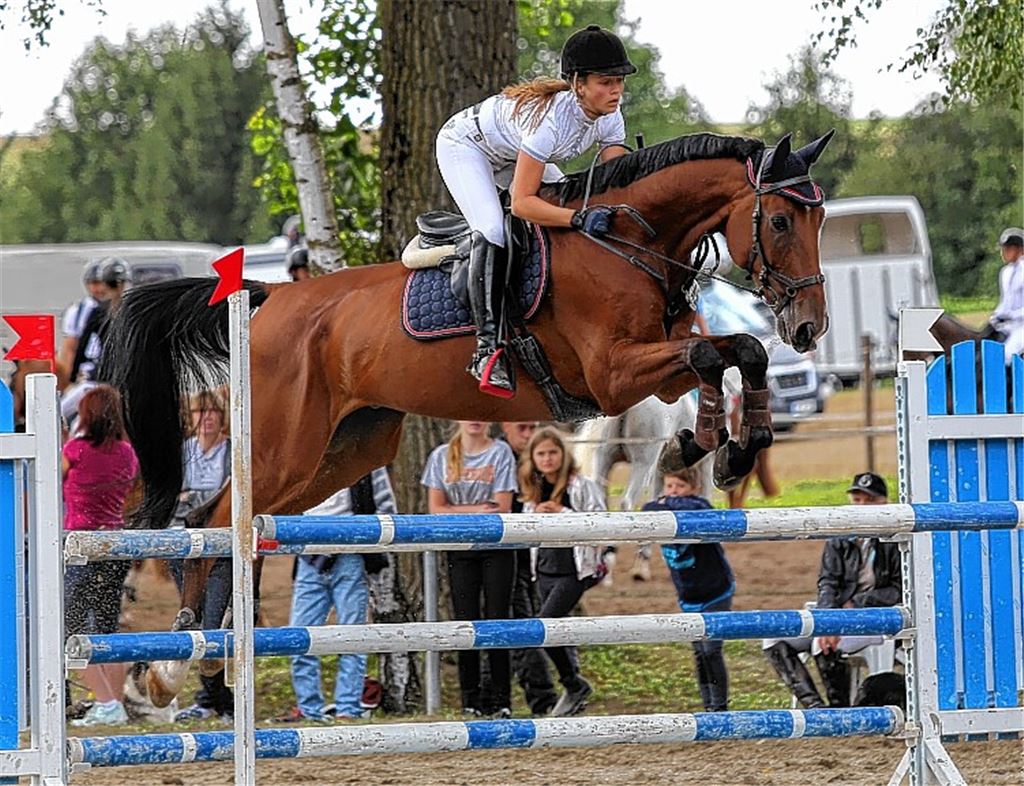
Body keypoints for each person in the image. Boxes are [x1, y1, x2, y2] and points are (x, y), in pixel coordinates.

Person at [435, 24, 636, 398]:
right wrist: (577, 218)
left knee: (562, 206)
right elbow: (524, 204)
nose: (616, 91)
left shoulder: (611, 115)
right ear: (578, 83)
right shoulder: (550, 121)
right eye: (606, 82)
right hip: (467, 147)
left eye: (619, 81)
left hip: (514, 153)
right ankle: (487, 349)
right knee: (494, 229)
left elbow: (616, 181)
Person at [763, 472, 901, 708]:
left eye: (869, 500)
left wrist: (855, 604)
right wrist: (829, 620)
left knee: (823, 644)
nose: (862, 506)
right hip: (836, 614)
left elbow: (898, 589)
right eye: (857, 500)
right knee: (772, 637)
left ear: (883, 503)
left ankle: (839, 709)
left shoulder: (895, 540)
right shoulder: (840, 538)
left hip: (873, 617)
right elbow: (827, 581)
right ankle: (815, 707)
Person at [273, 469, 397, 723]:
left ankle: (348, 709)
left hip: (350, 553)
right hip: (310, 555)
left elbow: (387, 507)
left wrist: (367, 540)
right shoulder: (304, 456)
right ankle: (309, 709)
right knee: (299, 635)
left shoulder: (365, 457)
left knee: (352, 636)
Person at [422, 421, 518, 717]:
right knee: (466, 621)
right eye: (468, 415)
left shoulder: (501, 453)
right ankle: (470, 699)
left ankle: (501, 699)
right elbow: (435, 508)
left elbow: (502, 507)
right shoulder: (441, 455)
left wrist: (456, 511)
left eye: (481, 415)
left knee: (498, 618)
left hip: (497, 548)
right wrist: (477, 509)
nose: (474, 420)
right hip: (460, 548)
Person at [63, 384, 139, 727]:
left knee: (70, 627)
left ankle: (107, 702)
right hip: (116, 545)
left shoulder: (75, 451)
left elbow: (46, 477)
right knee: (108, 624)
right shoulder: (127, 453)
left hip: (81, 546)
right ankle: (116, 702)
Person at [519, 427, 606, 717]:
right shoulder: (533, 487)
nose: (547, 459)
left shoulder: (581, 485)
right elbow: (524, 528)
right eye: (541, 454)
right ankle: (574, 690)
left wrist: (562, 514)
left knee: (544, 625)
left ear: (563, 454)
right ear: (532, 457)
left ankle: (573, 682)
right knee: (558, 630)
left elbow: (600, 520)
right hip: (544, 567)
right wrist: (536, 515)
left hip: (574, 569)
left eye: (552, 452)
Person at [643, 465, 734, 712]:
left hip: (716, 591)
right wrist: (664, 506)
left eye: (680, 487)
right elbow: (645, 510)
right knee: (699, 653)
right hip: (689, 596)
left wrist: (667, 505)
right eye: (669, 486)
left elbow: (697, 509)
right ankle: (708, 705)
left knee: (712, 649)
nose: (674, 493)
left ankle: (719, 707)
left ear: (694, 489)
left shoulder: (699, 507)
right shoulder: (659, 512)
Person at [171, 389, 234, 723]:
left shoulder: (230, 452)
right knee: (192, 622)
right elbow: (174, 494)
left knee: (215, 623)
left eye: (212, 411)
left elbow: (226, 494)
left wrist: (194, 499)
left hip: (219, 550)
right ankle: (211, 699)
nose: (206, 417)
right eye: (199, 412)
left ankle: (220, 699)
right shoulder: (184, 452)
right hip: (186, 550)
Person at [500, 421, 559, 716]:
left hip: (532, 557)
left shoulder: (538, 463)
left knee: (526, 623)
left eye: (532, 427)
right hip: (508, 555)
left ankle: (543, 696)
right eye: (523, 428)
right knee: (517, 624)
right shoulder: (502, 459)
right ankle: (541, 696)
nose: (529, 434)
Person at [62, 257, 131, 425]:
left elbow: (83, 346)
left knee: (63, 410)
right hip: (128, 375)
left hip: (103, 376)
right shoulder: (133, 309)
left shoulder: (99, 311)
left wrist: (72, 377)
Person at [57, 261, 107, 375]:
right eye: (95, 283)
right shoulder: (77, 312)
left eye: (104, 283)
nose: (100, 288)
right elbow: (69, 348)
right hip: (86, 369)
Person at [986, 227, 1023, 363]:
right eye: (1003, 249)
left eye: (1008, 249)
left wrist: (1011, 315)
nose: (1004, 253)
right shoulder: (1005, 272)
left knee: (1007, 355)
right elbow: (1005, 301)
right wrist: (995, 315)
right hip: (1008, 325)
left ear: (1020, 250)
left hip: (1022, 325)